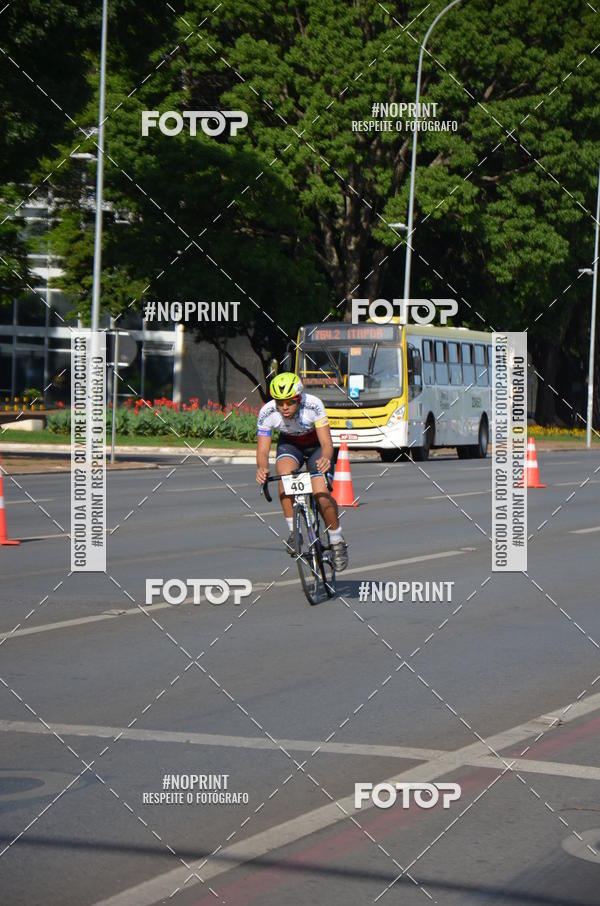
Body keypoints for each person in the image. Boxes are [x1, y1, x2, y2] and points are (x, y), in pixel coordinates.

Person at [255, 372, 348, 571]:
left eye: (289, 402)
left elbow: (326, 443)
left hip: (316, 447)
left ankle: (337, 540)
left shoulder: (313, 405)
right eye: (280, 403)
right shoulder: (267, 412)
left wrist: (325, 458)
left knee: (321, 495)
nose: (284, 407)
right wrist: (262, 467)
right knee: (284, 476)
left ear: (298, 399)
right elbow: (263, 450)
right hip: (291, 445)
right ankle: (293, 532)